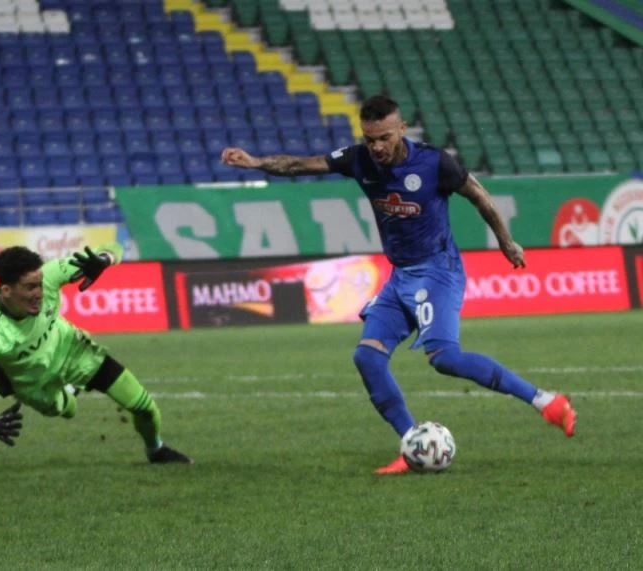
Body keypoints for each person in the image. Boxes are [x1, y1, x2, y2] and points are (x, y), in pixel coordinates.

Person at [221, 94, 576, 475]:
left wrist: (506, 242)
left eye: (384, 138)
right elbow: (297, 164)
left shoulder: (434, 162)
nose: (377, 147)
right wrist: (255, 162)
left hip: (438, 270)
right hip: (401, 275)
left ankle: (547, 402)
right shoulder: (358, 159)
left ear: (402, 129)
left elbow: (480, 197)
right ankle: (412, 444)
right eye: (370, 138)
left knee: (445, 358)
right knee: (367, 358)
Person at [0, 242, 192, 464]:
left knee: (145, 407)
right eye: (29, 287)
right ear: (6, 290)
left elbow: (114, 247)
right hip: (35, 384)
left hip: (74, 353)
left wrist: (104, 259)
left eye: (39, 284)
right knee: (69, 409)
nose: (39, 293)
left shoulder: (48, 275)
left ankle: (156, 449)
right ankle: (63, 390)